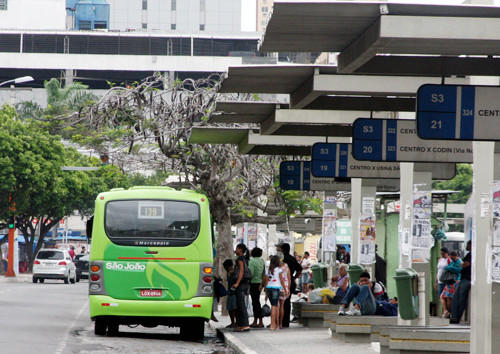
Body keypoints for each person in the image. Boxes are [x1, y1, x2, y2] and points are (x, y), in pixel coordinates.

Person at [279, 243, 302, 327]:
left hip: (280, 283)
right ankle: (286, 322)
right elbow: (300, 269)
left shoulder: (280, 259)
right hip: (290, 282)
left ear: (282, 250)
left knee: (279, 303)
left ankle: (279, 322)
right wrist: (293, 278)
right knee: (287, 302)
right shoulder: (292, 259)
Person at [450, 241, 472, 324]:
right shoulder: (469, 254)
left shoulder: (471, 255)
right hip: (464, 279)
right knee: (456, 298)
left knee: (461, 299)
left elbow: (464, 264)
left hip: (467, 279)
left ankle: (456, 317)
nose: (467, 246)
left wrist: (462, 264)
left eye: (468, 245)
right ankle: (454, 316)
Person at [232, 244, 251, 332]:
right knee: (239, 305)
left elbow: (241, 271)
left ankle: (245, 324)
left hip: (241, 283)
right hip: (245, 283)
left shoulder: (240, 259)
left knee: (241, 305)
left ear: (240, 249)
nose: (235, 250)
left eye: (236, 248)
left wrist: (237, 283)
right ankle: (240, 324)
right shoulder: (245, 259)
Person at [264, 255, 287, 331]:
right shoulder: (279, 269)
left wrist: (266, 293)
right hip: (276, 289)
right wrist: (285, 290)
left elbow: (266, 282)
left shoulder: (268, 270)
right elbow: (281, 280)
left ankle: (274, 325)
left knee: (273, 306)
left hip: (269, 289)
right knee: (274, 307)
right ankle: (273, 325)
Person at [440, 250, 462, 319]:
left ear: (457, 256)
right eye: (452, 258)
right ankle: (446, 310)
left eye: (454, 258)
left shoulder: (459, 262)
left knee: (449, 298)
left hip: (454, 282)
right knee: (442, 296)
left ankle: (449, 312)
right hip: (450, 282)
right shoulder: (453, 262)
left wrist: (449, 268)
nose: (453, 259)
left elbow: (459, 270)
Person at [248, 247, 265, 328]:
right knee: (257, 302)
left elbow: (250, 273)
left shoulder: (252, 261)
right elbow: (264, 273)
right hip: (260, 283)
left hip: (253, 283)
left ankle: (257, 321)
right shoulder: (262, 261)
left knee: (255, 303)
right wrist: (262, 284)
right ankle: (260, 321)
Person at [435, 247, 451, 317]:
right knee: (441, 296)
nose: (442, 255)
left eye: (443, 254)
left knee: (446, 297)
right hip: (440, 281)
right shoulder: (440, 260)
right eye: (441, 254)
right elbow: (438, 271)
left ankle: (446, 311)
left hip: (446, 281)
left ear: (447, 253)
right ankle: (445, 311)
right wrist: (436, 281)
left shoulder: (449, 260)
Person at [277, 252, 291, 329]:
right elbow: (289, 278)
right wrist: (288, 288)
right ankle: (280, 324)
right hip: (284, 286)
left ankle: (275, 323)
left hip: (277, 285)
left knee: (276, 305)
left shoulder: (275, 266)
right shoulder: (286, 266)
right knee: (282, 305)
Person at [223, 259, 238, 328]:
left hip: (234, 292)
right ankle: (232, 322)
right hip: (230, 292)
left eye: (227, 267)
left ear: (231, 266)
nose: (226, 269)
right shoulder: (228, 272)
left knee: (235, 308)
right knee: (230, 308)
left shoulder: (234, 272)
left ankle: (237, 322)